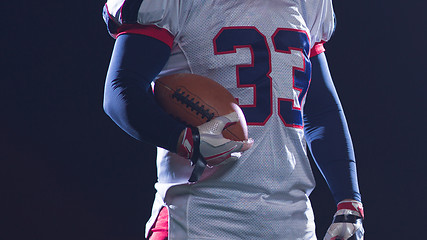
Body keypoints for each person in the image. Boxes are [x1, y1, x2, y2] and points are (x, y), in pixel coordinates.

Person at [102, 0, 364, 239]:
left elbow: (320, 110)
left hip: (290, 222)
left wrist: (349, 201)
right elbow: (121, 89)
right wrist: (186, 140)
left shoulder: (310, 5)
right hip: (198, 219)